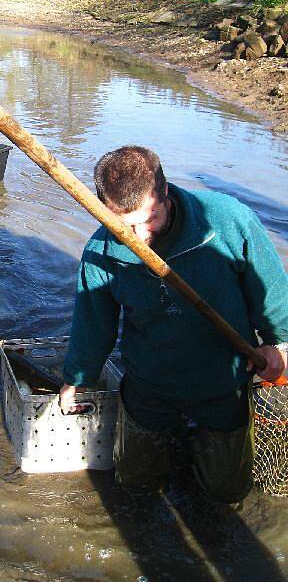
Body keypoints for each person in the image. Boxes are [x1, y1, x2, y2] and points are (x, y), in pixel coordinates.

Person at [60, 145, 288, 503]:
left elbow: (270, 291)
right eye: (124, 226)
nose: (138, 237)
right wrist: (78, 378)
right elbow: (93, 322)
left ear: (165, 194)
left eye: (147, 220)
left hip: (222, 381)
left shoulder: (226, 220)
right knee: (136, 487)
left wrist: (281, 344)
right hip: (149, 383)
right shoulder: (101, 250)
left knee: (225, 495)